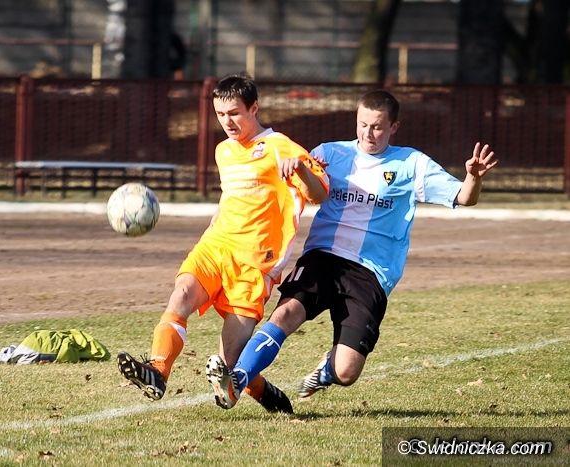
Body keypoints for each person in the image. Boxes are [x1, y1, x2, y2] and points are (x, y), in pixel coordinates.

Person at [205, 89, 499, 409]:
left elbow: (464, 197)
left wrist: (473, 177)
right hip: (323, 257)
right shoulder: (330, 153)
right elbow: (291, 187)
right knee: (286, 313)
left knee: (347, 372)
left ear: (394, 127)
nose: (368, 133)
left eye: (377, 127)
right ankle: (238, 381)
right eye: (362, 124)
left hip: (370, 273)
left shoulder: (411, 164)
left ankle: (327, 369)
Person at [117, 72, 329, 414]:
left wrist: (301, 171)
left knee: (229, 364)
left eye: (234, 113)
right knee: (181, 295)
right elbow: (230, 197)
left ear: (254, 108)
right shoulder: (223, 151)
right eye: (220, 114)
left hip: (255, 261)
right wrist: (209, 231)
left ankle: (263, 392)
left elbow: (320, 193)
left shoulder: (281, 147)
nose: (227, 121)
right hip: (215, 247)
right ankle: (157, 371)